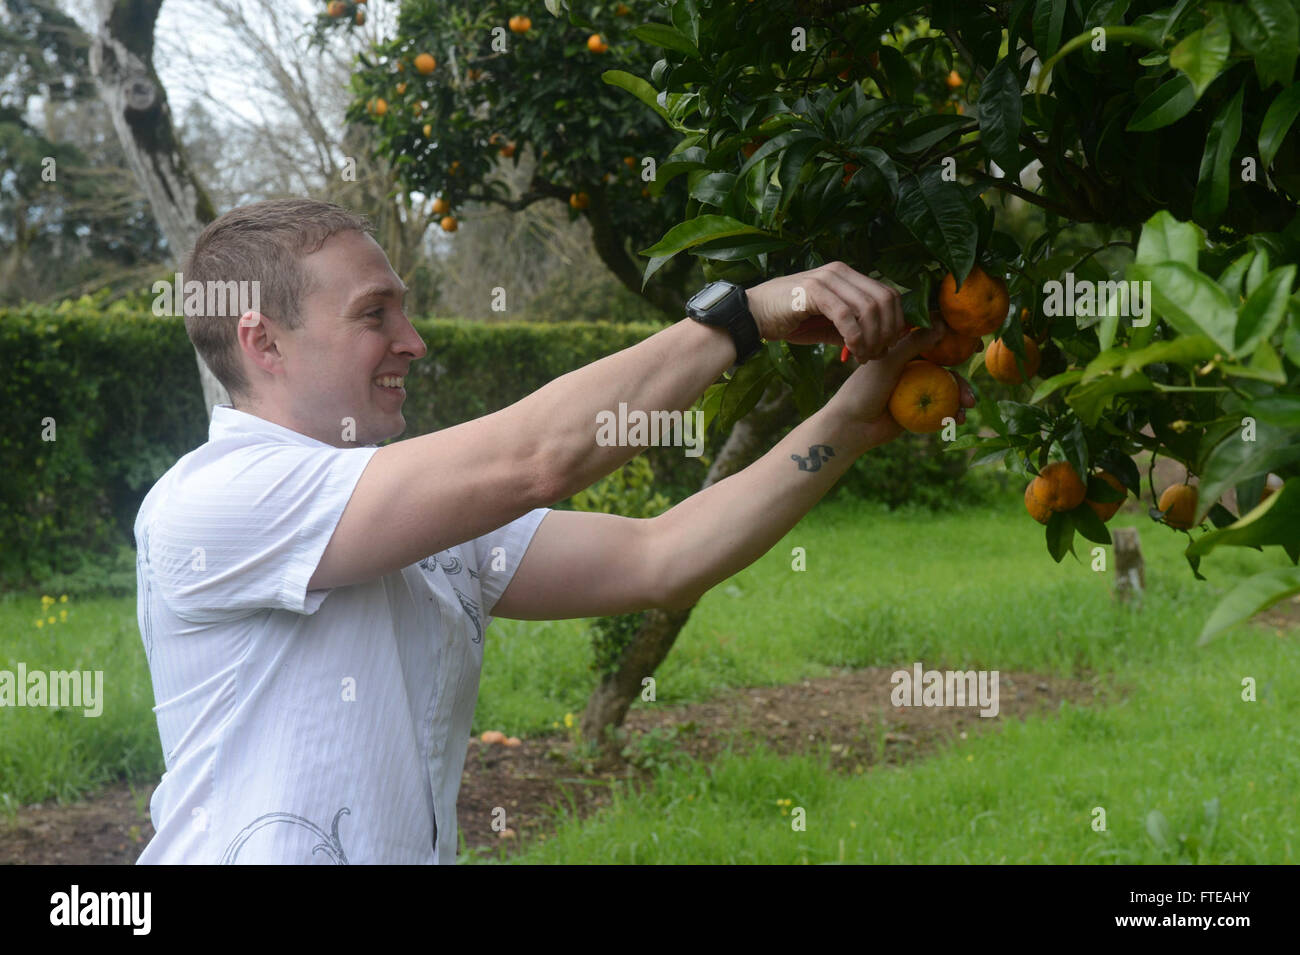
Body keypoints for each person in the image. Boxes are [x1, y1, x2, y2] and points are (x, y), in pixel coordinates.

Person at [133, 197, 973, 864]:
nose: (413, 342)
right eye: (374, 315)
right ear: (263, 342)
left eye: (405, 311)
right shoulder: (215, 502)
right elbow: (537, 456)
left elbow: (662, 556)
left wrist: (857, 418)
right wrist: (743, 315)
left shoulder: (417, 518)